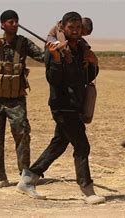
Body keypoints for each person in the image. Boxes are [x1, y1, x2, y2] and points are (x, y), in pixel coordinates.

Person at [16, 12, 105, 204]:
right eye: (71, 28)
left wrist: (94, 63)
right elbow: (54, 80)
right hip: (62, 106)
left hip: (76, 104)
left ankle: (28, 179)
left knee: (58, 144)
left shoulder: (81, 48)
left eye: (77, 28)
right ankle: (87, 190)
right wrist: (56, 58)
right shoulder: (54, 48)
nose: (74, 31)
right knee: (82, 145)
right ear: (63, 28)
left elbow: (86, 77)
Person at [0, 9, 45, 189]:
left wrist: (54, 48)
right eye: (11, 22)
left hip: (16, 100)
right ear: (2, 25)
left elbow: (42, 57)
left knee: (22, 135)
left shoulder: (23, 43)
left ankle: (25, 175)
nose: (15, 25)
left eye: (16, 21)